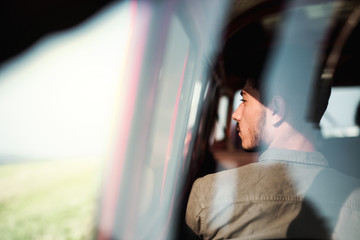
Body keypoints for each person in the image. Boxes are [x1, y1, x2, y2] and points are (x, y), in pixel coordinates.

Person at [185, 43, 360, 239]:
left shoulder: (208, 195)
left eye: (244, 100)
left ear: (276, 110)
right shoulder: (355, 199)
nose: (236, 114)